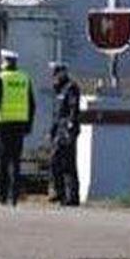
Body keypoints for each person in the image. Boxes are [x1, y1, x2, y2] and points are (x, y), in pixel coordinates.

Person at [0, 49, 35, 207]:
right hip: (19, 126)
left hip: (3, 125)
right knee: (16, 162)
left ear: (5, 62)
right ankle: (14, 196)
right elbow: (32, 104)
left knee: (3, 162)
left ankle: (2, 195)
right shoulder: (24, 78)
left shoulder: (1, 78)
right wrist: (29, 125)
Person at [49, 62, 81, 207]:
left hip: (67, 131)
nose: (54, 75)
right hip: (59, 130)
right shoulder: (59, 89)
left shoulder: (71, 87)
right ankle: (60, 194)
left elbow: (73, 109)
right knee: (55, 162)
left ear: (63, 72)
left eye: (56, 72)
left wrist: (70, 126)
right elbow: (57, 113)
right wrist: (52, 131)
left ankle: (72, 197)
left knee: (68, 163)